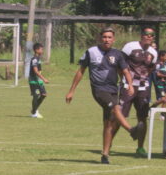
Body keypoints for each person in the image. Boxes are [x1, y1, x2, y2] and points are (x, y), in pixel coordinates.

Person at [66, 27, 140, 164]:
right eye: (104, 37)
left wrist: (130, 85)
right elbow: (80, 71)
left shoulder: (117, 54)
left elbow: (125, 71)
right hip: (99, 90)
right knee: (116, 108)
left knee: (109, 123)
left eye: (109, 37)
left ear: (114, 39)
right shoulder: (91, 52)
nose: (107, 39)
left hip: (113, 90)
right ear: (100, 38)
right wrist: (72, 91)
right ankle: (131, 130)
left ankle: (105, 155)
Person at [121, 27, 158, 157]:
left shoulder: (153, 52)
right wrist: (126, 80)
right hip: (128, 85)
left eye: (152, 35)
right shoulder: (130, 46)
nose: (149, 37)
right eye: (146, 34)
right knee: (119, 115)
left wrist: (143, 80)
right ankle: (109, 143)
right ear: (141, 35)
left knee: (142, 117)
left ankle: (140, 147)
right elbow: (121, 63)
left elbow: (150, 69)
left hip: (143, 87)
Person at [28, 43, 49, 118]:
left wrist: (41, 79)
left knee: (44, 95)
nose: (42, 51)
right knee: (36, 96)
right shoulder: (34, 59)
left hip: (39, 81)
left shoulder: (38, 58)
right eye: (41, 49)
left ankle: (34, 110)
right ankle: (34, 113)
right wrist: (44, 79)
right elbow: (36, 71)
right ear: (37, 50)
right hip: (33, 81)